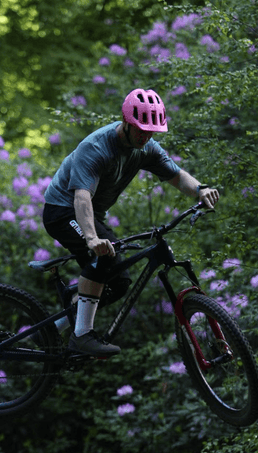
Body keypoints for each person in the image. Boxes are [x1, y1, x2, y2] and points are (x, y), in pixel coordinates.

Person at [42, 88, 219, 356]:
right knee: (102, 258)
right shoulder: (96, 148)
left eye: (151, 131)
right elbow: (81, 198)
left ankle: (55, 327)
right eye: (140, 129)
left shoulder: (146, 148)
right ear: (125, 122)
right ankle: (81, 336)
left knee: (119, 281)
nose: (146, 136)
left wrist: (200, 190)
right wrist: (91, 239)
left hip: (88, 214)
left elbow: (176, 176)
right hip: (63, 211)